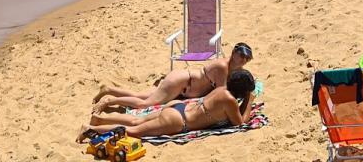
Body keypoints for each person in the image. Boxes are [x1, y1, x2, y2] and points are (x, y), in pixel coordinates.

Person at [85, 70, 257, 139]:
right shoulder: (230, 101)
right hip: (178, 120)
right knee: (133, 132)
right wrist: (249, 100)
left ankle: (99, 120)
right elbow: (240, 123)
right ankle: (89, 129)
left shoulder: (222, 89)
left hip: (178, 107)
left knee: (135, 121)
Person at [93, 43, 253, 111]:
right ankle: (110, 101)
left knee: (140, 95)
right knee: (145, 104)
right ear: (233, 53)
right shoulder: (223, 67)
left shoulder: (230, 67)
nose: (243, 60)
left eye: (247, 58)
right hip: (181, 83)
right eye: (241, 56)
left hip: (181, 81)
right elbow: (220, 93)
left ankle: (109, 89)